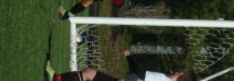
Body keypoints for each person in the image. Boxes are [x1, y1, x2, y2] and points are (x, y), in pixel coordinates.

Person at [45, 53, 196, 81]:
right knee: (90, 73)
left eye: (183, 71)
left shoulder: (163, 79)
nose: (180, 70)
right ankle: (57, 78)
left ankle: (56, 78)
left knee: (89, 73)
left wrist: (129, 56)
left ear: (182, 74)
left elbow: (138, 71)